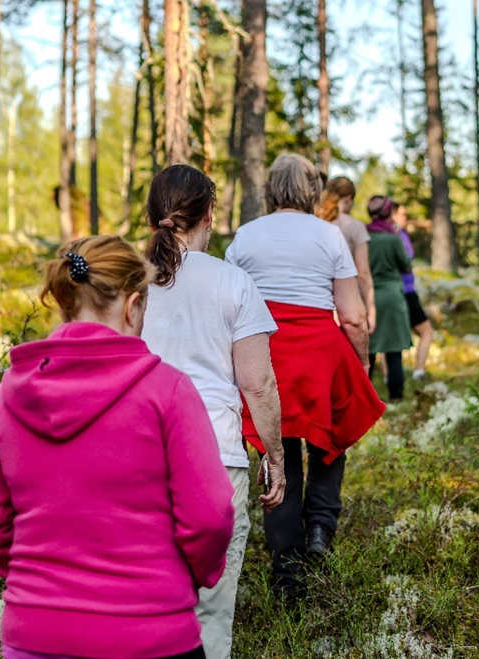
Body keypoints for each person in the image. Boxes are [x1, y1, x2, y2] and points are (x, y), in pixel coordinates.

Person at [0, 236, 234, 659]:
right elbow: (211, 517)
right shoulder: (168, 392)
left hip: (35, 636)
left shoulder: (9, 395)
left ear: (67, 301)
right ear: (132, 305)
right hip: (151, 634)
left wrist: (38, 580)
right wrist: (187, 578)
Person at [141, 164, 287, 659]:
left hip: (139, 457)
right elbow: (259, 384)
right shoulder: (233, 282)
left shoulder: (128, 286)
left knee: (143, 602)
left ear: (153, 216)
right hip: (215, 457)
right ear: (210, 214)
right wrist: (276, 457)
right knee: (211, 607)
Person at [224, 153, 385, 602]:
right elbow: (352, 317)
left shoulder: (245, 236)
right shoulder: (329, 234)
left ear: (271, 188)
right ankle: (319, 528)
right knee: (330, 441)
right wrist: (362, 366)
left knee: (279, 454)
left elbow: (233, 306)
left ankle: (286, 568)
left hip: (267, 351)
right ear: (312, 190)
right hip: (319, 350)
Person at [364, 196, 413, 401]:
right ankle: (396, 396)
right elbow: (406, 265)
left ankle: (364, 398)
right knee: (394, 351)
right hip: (392, 296)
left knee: (368, 352)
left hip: (368, 297)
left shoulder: (363, 236)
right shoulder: (393, 238)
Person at [316, 176, 377, 333]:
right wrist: (370, 309)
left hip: (319, 301)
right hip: (347, 302)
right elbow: (363, 273)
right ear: (349, 198)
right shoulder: (355, 227)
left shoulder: (315, 222)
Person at [392, 202, 435, 379]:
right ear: (392, 215)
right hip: (404, 291)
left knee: (398, 335)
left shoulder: (401, 233)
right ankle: (418, 371)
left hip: (406, 288)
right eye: (402, 214)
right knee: (426, 331)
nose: (406, 218)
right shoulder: (394, 235)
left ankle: (397, 375)